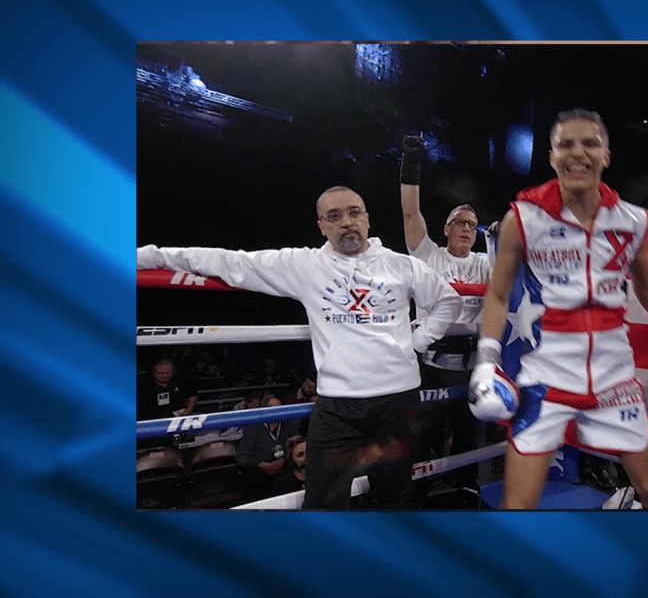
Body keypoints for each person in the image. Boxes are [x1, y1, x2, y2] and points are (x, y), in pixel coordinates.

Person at [137, 185, 463, 509]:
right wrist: (148, 256)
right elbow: (227, 262)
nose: (346, 222)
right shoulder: (305, 265)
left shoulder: (401, 265)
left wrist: (417, 341)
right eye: (334, 216)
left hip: (397, 401)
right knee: (323, 499)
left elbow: (447, 301)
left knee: (392, 496)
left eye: (353, 212)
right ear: (322, 225)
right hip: (338, 406)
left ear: (366, 218)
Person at [468, 108, 648, 510]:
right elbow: (497, 294)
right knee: (518, 505)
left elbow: (646, 283)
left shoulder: (633, 220)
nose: (577, 153)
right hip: (545, 376)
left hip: (614, 374)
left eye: (589, 143)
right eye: (566, 144)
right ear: (551, 156)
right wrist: (486, 360)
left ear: (606, 156)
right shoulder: (523, 218)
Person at [400, 134, 492, 494]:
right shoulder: (429, 255)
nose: (466, 228)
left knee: (470, 438)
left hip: (471, 367)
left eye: (472, 224)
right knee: (424, 438)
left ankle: (464, 498)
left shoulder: (487, 263)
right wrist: (411, 163)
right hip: (433, 366)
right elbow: (410, 212)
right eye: (459, 221)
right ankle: (418, 499)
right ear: (446, 229)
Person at [236, 396, 299, 501]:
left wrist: (283, 459)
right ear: (265, 410)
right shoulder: (253, 428)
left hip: (284, 468)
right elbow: (242, 456)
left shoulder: (289, 425)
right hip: (259, 472)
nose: (280, 411)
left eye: (281, 408)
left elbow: (297, 446)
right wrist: (262, 464)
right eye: (275, 408)